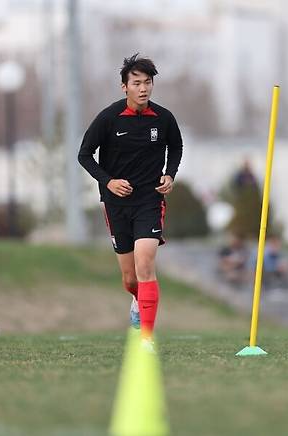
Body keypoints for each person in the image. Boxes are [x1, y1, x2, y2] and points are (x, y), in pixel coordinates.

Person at [78, 54, 183, 350]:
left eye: (147, 82)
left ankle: (146, 338)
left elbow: (176, 146)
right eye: (136, 83)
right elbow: (84, 155)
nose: (143, 88)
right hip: (116, 204)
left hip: (150, 200)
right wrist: (109, 181)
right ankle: (138, 300)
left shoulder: (163, 118)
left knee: (145, 263)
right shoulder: (108, 118)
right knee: (129, 277)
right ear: (124, 87)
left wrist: (170, 174)